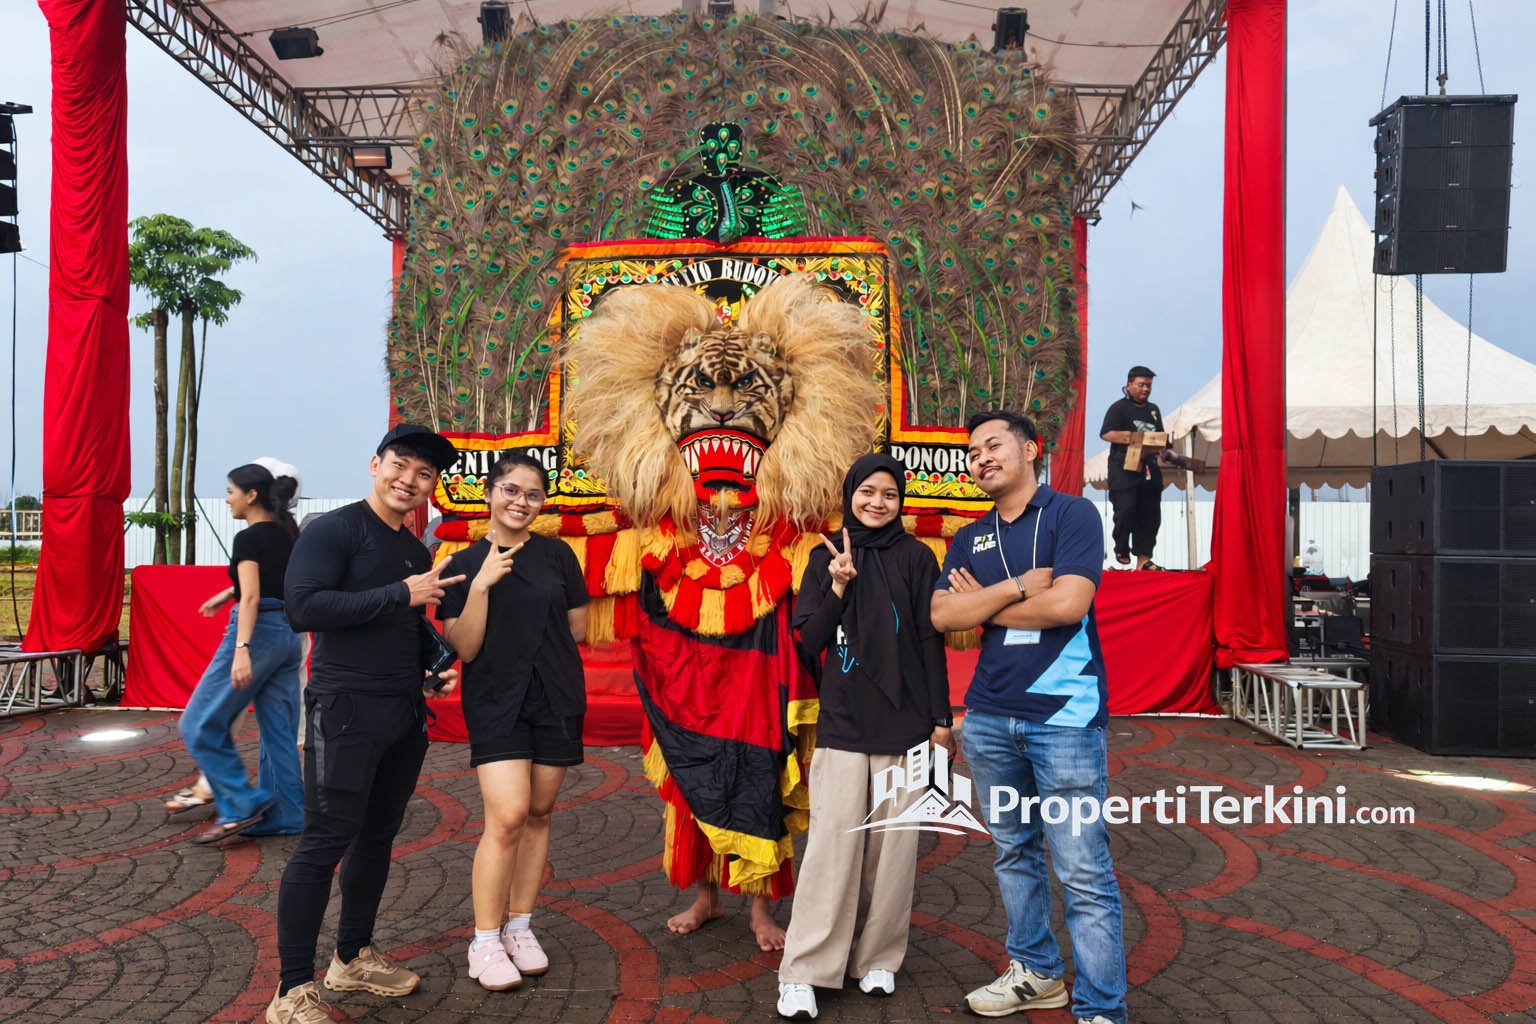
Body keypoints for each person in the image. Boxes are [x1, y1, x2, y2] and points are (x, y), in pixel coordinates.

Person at [263, 424, 465, 1024]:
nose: (409, 480)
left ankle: (351, 958)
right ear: (375, 464)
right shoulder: (334, 530)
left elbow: (402, 621)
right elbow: (304, 608)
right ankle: (291, 991)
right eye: (400, 465)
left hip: (403, 713)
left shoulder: (411, 545)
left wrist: (435, 664)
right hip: (344, 710)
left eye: (424, 474)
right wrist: (401, 594)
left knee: (377, 839)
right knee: (323, 843)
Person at [930, 410, 1126, 1024]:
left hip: (1065, 719)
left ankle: (1100, 1007)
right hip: (988, 718)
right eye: (972, 452)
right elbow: (942, 617)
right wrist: (1014, 590)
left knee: (1082, 868)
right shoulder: (969, 536)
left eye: (993, 446)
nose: (980, 458)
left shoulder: (1072, 514)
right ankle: (1037, 973)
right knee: (1014, 853)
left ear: (1031, 450)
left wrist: (979, 603)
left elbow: (1069, 603)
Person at [776, 454, 951, 1020]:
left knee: (893, 852)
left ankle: (877, 955)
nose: (877, 502)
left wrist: (942, 721)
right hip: (845, 721)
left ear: (902, 502)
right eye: (867, 492)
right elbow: (809, 640)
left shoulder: (919, 557)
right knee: (833, 848)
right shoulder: (825, 553)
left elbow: (929, 642)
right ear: (849, 493)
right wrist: (838, 588)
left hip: (907, 723)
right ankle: (805, 968)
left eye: (890, 494)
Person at [438, 452, 590, 991]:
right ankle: (483, 940)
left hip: (555, 695)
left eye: (531, 493)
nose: (520, 501)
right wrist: (480, 585)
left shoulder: (558, 555)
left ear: (542, 501)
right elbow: (465, 646)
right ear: (489, 494)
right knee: (507, 816)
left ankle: (520, 928)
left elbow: (576, 625)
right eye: (510, 490)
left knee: (540, 813)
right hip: (496, 700)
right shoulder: (460, 563)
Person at [175, 462, 305, 844]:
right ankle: (288, 814)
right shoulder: (288, 533)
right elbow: (272, 583)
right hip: (289, 635)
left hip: (259, 631)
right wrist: (226, 592)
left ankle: (239, 803)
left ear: (251, 496)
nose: (227, 498)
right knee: (278, 733)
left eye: (231, 491)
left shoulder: (248, 539)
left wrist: (242, 650)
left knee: (198, 724)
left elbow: (252, 596)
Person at [1098, 365, 1166, 570]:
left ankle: (1144, 559)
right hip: (1124, 470)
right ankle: (1121, 546)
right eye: (1141, 385)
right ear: (1129, 385)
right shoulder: (1118, 408)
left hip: (1150, 469)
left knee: (1150, 514)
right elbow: (1106, 434)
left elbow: (1160, 437)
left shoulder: (1154, 410)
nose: (1146, 389)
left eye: (1149, 385)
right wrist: (1133, 438)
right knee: (1126, 508)